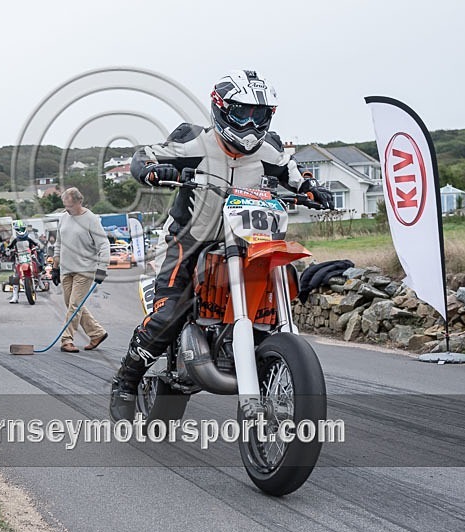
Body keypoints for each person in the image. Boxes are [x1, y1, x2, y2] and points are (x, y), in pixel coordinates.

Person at [109, 69, 333, 422]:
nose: (249, 122)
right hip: (191, 241)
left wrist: (310, 188)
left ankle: (279, 355)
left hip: (250, 241)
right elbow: (145, 156)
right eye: (241, 112)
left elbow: (294, 172)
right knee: (168, 313)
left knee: (284, 284)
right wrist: (152, 170)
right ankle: (127, 380)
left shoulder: (270, 149)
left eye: (258, 115)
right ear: (220, 108)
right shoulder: (194, 142)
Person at [52, 187, 110, 353]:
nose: (66, 209)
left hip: (85, 270)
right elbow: (58, 243)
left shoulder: (91, 219)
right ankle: (97, 333)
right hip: (66, 269)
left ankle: (66, 340)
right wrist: (55, 267)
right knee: (71, 305)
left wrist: (102, 268)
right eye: (65, 205)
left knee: (74, 305)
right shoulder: (63, 218)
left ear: (79, 202)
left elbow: (103, 245)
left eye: (69, 206)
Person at [7, 220, 43, 304]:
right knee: (16, 275)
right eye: (18, 229)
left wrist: (38, 246)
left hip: (29, 255)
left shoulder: (30, 236)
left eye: (22, 229)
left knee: (38, 264)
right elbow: (9, 247)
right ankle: (15, 296)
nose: (21, 231)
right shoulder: (13, 238)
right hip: (18, 257)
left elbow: (37, 244)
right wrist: (8, 251)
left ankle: (40, 280)